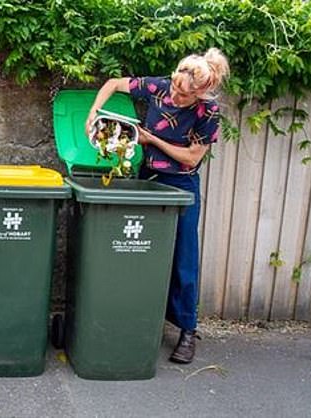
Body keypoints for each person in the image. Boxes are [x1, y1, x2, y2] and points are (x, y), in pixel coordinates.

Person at [85, 48, 230, 364]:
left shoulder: (209, 112)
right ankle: (140, 320)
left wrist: (152, 140)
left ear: (202, 93)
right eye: (175, 86)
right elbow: (112, 83)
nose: (175, 95)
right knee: (142, 254)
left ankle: (188, 332)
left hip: (181, 186)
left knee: (183, 258)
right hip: (147, 179)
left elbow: (192, 157)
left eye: (184, 94)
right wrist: (94, 113)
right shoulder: (159, 87)